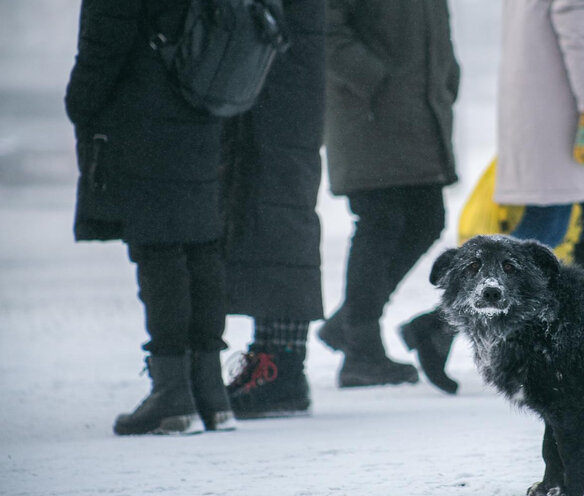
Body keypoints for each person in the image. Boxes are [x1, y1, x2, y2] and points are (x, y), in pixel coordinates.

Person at [65, 0, 234, 435]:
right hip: (204, 99)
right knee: (201, 244)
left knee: (159, 248)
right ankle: (211, 392)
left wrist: (80, 100)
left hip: (144, 110)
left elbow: (105, 41)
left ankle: (173, 394)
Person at [316, 0, 462, 389]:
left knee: (427, 219)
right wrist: (373, 78)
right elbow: (324, 28)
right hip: (370, 111)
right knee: (380, 222)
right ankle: (361, 351)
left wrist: (447, 77)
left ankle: (348, 324)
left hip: (416, 110)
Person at [220, 0, 326, 419]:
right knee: (274, 216)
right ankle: (274, 360)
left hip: (277, 85)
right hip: (279, 85)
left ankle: (279, 366)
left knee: (278, 217)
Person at [495, 0, 584, 281]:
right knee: (553, 219)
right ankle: (454, 314)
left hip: (553, 103)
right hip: (570, 109)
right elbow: (576, 19)